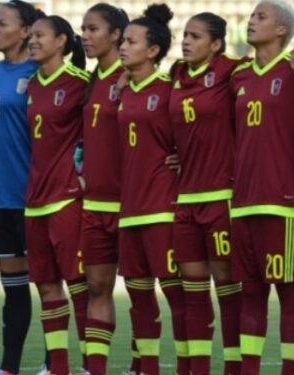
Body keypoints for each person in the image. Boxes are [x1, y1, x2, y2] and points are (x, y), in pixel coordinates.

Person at [229, 1, 294, 373]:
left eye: (262, 17)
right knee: (251, 290)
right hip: (242, 199)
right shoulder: (239, 75)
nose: (252, 21)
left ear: (282, 30)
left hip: (282, 197)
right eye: (253, 15)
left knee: (286, 286)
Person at [168, 12, 243, 375]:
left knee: (229, 290)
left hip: (222, 197)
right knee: (192, 292)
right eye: (185, 35)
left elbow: (269, 70)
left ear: (215, 45)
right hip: (184, 201)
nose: (186, 41)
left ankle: (233, 367)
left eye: (195, 36)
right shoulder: (175, 76)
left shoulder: (232, 70)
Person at [117, 4, 187, 375]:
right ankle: (147, 368)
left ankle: (187, 366)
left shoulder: (171, 90)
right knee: (139, 297)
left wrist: (183, 156)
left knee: (177, 296)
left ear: (153, 50)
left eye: (131, 41)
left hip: (162, 207)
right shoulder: (122, 90)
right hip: (130, 210)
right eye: (123, 41)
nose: (122, 48)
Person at [25, 14, 89, 375]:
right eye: (30, 35)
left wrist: (83, 176)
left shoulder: (81, 83)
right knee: (47, 286)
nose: (32, 40)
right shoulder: (32, 85)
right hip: (34, 201)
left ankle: (87, 365)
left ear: (62, 41)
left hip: (67, 197)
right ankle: (58, 368)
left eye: (39, 35)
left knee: (79, 285)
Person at [0, 2, 40, 374]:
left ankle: (57, 363)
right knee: (14, 289)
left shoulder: (41, 72)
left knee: (51, 288)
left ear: (24, 31)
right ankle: (9, 367)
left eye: (2, 23)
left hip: (36, 199)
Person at [77, 4, 129, 375]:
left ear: (116, 35)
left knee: (144, 289)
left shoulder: (135, 77)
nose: (85, 35)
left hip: (134, 203)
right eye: (83, 28)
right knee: (97, 286)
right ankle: (95, 369)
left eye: (93, 29)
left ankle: (144, 365)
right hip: (94, 203)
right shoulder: (89, 81)